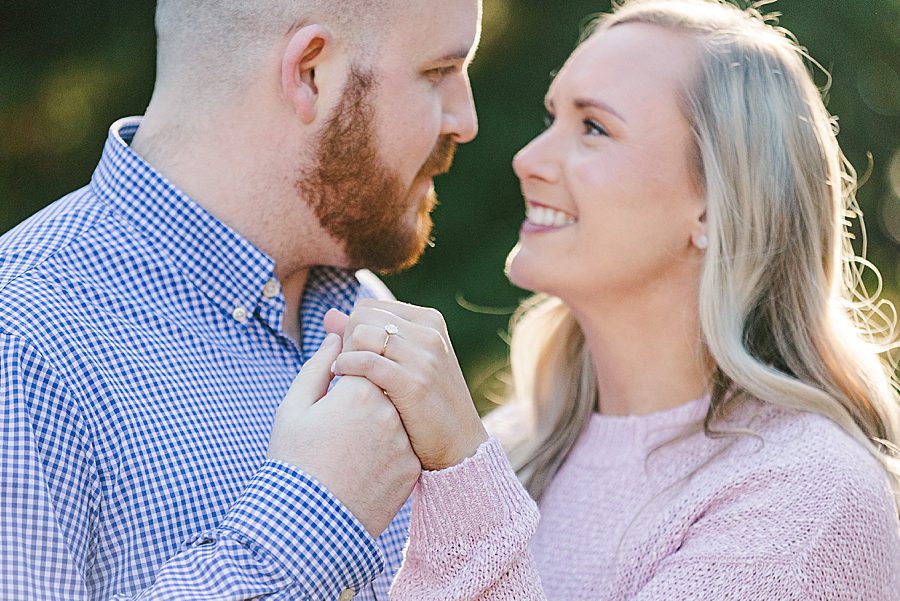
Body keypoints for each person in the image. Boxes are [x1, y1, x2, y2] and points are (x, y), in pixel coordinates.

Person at [318, 0, 900, 598]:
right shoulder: (514, 445)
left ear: (716, 200)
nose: (528, 160)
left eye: (594, 127)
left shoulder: (809, 496)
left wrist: (462, 472)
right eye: (552, 119)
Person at [0, 0, 480, 598]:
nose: (466, 120)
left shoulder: (371, 315)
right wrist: (308, 530)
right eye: (438, 72)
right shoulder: (20, 348)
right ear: (310, 72)